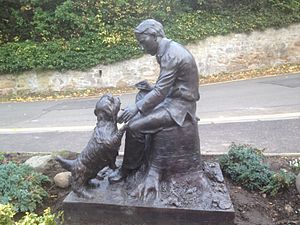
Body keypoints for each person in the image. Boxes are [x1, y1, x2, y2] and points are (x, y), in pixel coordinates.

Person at [108, 19, 200, 184]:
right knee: (141, 98)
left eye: (143, 42)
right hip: (174, 98)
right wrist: (150, 89)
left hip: (179, 108)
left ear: (154, 35)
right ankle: (141, 159)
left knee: (134, 126)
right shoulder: (168, 49)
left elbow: (161, 91)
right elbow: (167, 86)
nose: (142, 47)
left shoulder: (171, 55)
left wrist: (137, 107)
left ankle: (128, 169)